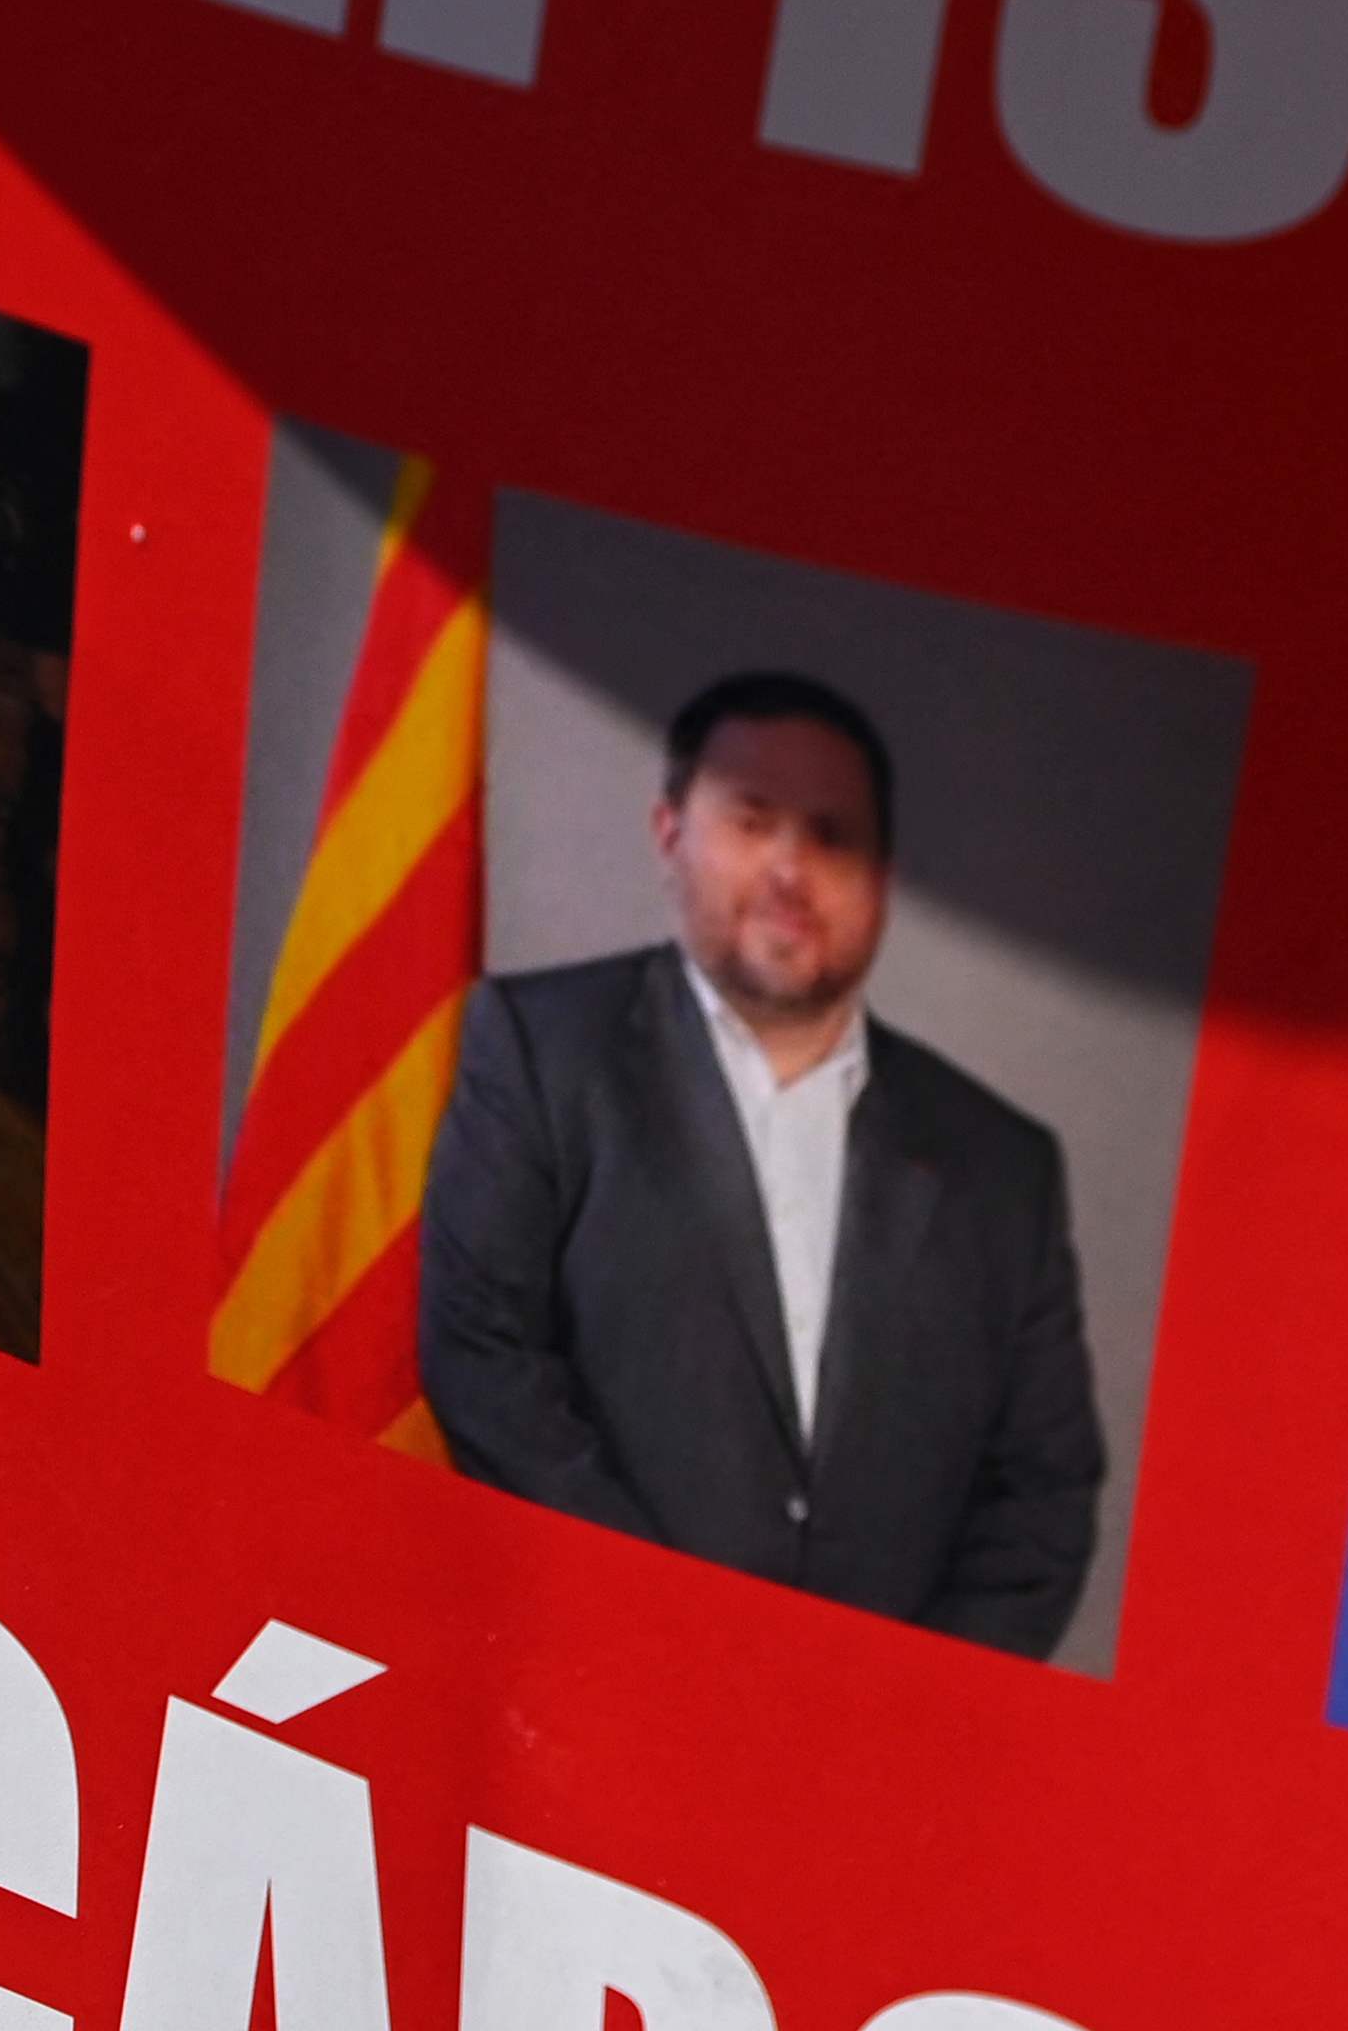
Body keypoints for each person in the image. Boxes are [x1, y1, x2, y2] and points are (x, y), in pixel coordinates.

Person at [415, 672, 1106, 1658]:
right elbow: (481, 1361)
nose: (791, 868)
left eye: (833, 835)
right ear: (669, 832)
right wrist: (661, 1642)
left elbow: (1043, 1493)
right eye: (752, 819)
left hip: (870, 1764)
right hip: (582, 1685)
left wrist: (902, 1714)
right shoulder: (539, 1050)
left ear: (885, 878)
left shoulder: (1007, 1166)